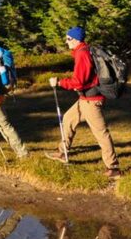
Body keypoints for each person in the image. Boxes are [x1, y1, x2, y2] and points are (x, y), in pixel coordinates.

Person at [47, 26, 120, 177]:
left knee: (101, 133)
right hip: (85, 99)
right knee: (68, 119)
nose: (66, 42)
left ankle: (113, 168)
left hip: (91, 101)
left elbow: (79, 82)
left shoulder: (82, 54)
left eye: (68, 39)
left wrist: (60, 82)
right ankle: (62, 152)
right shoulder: (84, 51)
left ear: (75, 39)